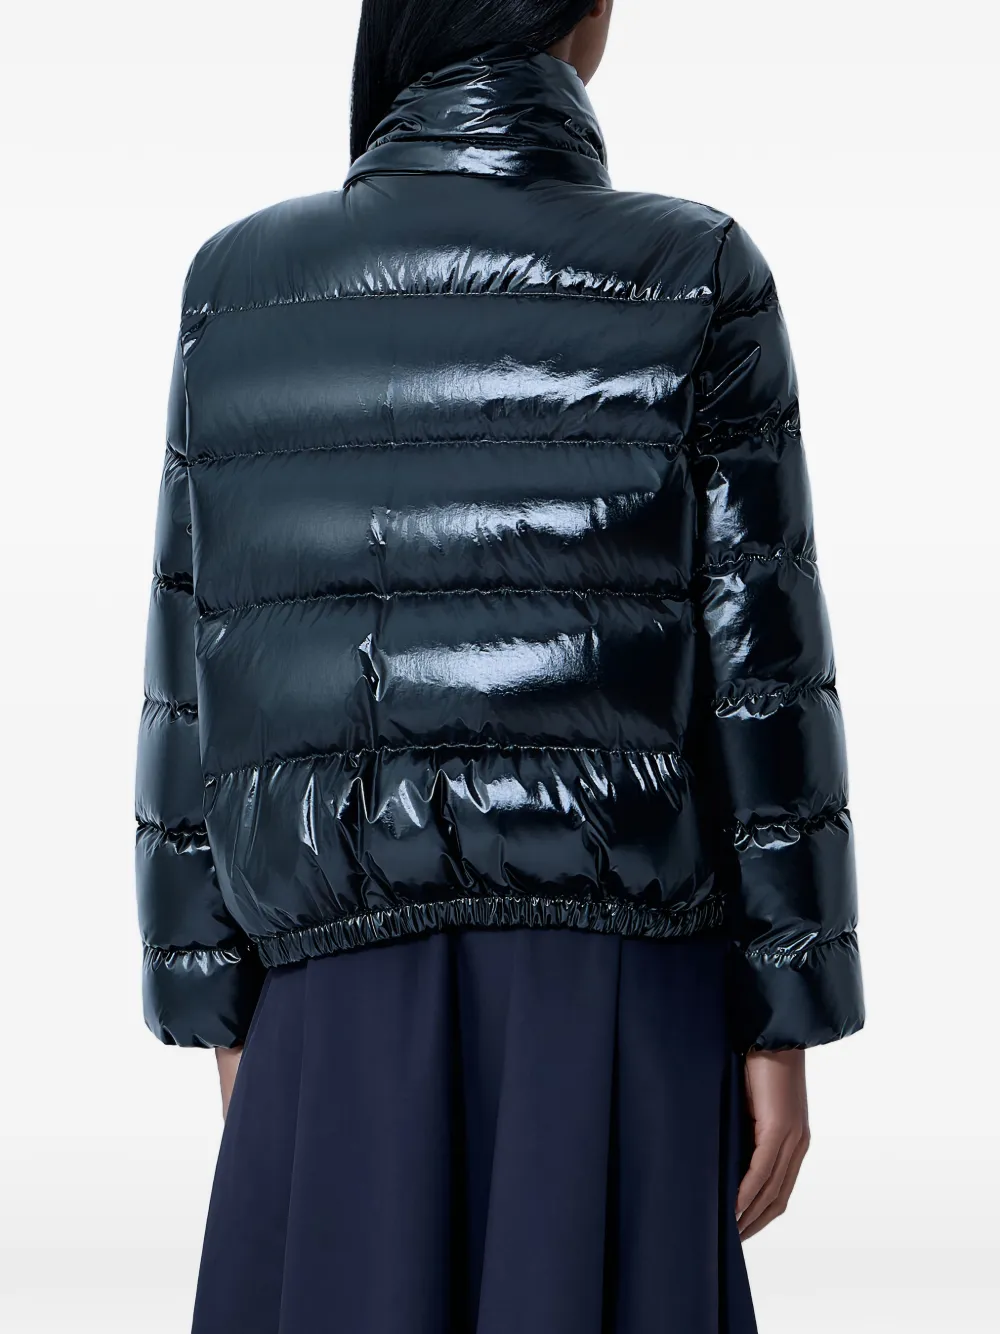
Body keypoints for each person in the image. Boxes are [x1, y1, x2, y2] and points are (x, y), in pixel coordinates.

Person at [134, 1, 864, 1329]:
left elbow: (192, 664)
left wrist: (213, 998)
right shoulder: (693, 270)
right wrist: (786, 1012)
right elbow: (762, 669)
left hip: (328, 994)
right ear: (588, 12)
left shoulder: (238, 283)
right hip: (619, 983)